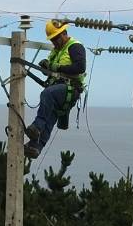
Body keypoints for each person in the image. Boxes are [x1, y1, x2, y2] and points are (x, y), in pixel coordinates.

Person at [24, 20, 86, 158]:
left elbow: (80, 67)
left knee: (47, 95)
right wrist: (46, 67)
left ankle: (36, 126)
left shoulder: (75, 46)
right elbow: (52, 72)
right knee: (50, 117)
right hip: (58, 87)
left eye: (56, 38)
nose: (55, 42)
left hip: (70, 88)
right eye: (52, 40)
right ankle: (36, 146)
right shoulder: (56, 51)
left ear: (64, 33)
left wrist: (55, 67)